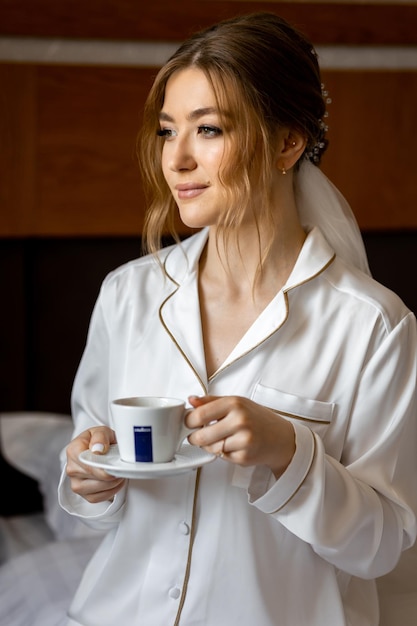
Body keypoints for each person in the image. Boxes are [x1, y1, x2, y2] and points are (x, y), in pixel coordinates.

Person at [58, 12, 417, 626]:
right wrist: (87, 478)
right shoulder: (126, 295)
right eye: (168, 132)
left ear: (287, 142)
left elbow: (381, 547)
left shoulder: (373, 326)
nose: (178, 160)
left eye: (209, 130)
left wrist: (288, 451)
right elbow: (96, 481)